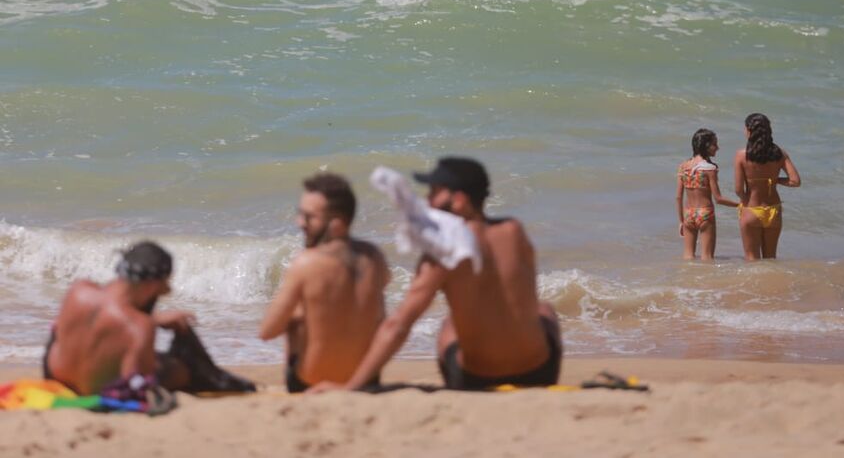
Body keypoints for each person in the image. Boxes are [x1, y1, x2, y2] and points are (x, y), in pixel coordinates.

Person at [310, 157, 561, 392]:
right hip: (539, 372)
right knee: (544, 309)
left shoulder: (444, 254)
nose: (428, 201)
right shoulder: (514, 230)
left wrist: (351, 387)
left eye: (434, 192)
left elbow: (399, 325)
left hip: (478, 380)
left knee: (448, 326)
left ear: (459, 200)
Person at [44, 240, 255, 396]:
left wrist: (154, 320)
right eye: (165, 284)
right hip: (95, 389)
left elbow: (98, 325)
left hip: (56, 374)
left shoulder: (78, 291)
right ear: (152, 284)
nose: (167, 291)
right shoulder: (139, 327)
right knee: (178, 368)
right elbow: (135, 384)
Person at [259, 172, 390, 393]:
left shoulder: (306, 263)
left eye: (309, 217)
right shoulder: (375, 257)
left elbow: (268, 331)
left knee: (297, 319)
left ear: (337, 225)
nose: (299, 222)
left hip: (310, 383)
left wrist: (299, 313)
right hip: (367, 381)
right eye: (300, 214)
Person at [734, 113, 801, 260]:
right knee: (770, 259)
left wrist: (745, 203)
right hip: (773, 210)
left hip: (752, 210)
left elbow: (738, 190)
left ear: (749, 130)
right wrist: (776, 180)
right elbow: (795, 181)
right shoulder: (779, 154)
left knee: (752, 260)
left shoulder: (741, 155)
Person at [676, 128, 738, 261]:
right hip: (705, 213)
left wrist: (681, 221)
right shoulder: (710, 168)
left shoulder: (683, 167)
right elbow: (719, 199)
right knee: (707, 258)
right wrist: (740, 205)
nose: (718, 147)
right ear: (706, 146)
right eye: (715, 144)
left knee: (687, 257)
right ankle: (706, 282)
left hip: (688, 214)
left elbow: (678, 197)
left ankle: (687, 281)